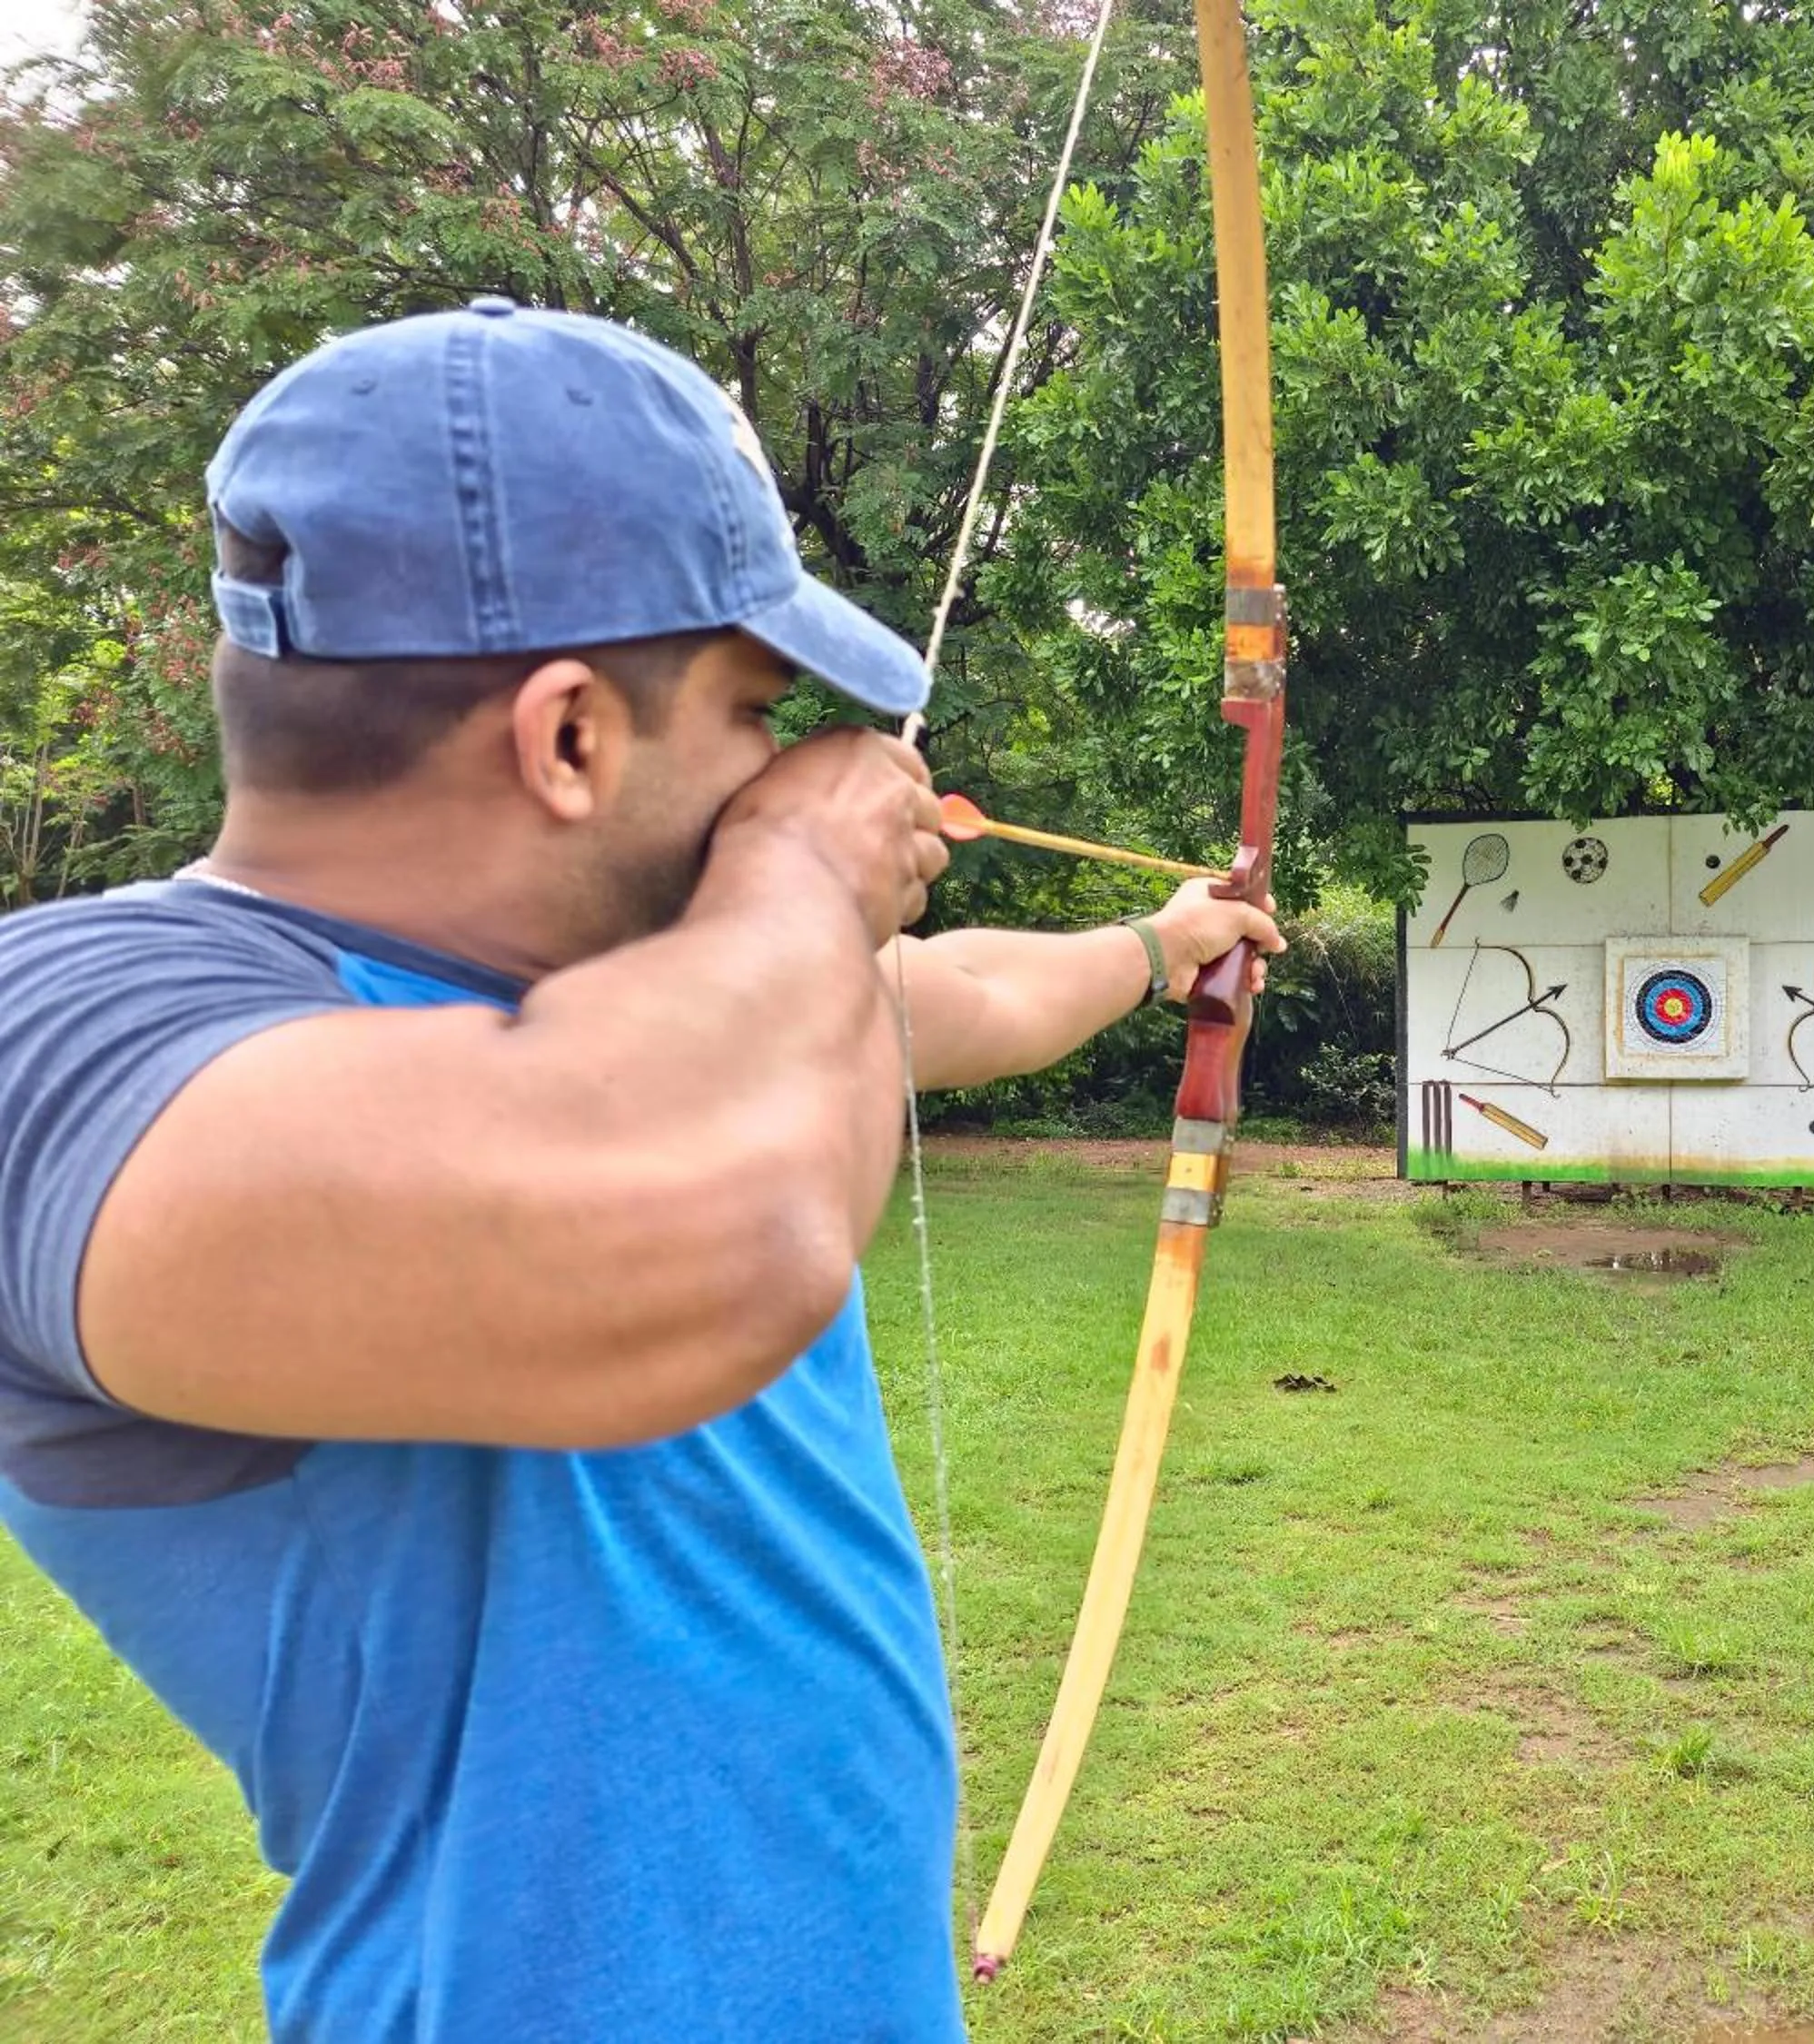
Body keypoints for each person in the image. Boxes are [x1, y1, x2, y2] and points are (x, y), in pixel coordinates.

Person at [0, 298, 1282, 2042]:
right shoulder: (74, 1033)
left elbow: (952, 991)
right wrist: (809, 876)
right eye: (758, 710)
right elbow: (717, 1222)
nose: (793, 765)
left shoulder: (646, 1007)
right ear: (569, 737)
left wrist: (1163, 938)